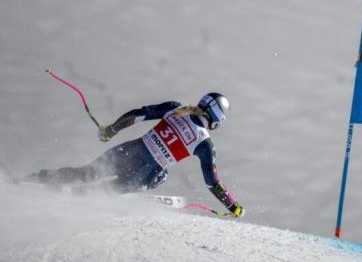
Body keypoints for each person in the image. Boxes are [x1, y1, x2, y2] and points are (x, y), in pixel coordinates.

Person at [30, 92, 244, 218]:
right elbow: (212, 183)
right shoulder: (205, 144)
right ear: (218, 121)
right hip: (144, 173)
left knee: (87, 172)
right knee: (103, 192)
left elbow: (138, 115)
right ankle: (67, 197)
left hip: (131, 150)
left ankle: (38, 179)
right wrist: (233, 207)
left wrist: (111, 130)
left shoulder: (175, 108)